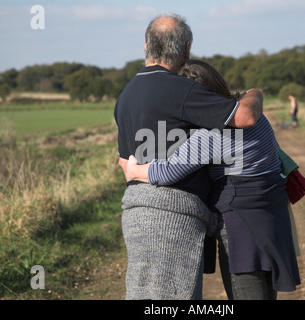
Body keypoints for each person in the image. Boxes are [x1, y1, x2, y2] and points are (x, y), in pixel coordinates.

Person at [114, 13, 263, 300]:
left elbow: (126, 164)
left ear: (145, 46)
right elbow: (245, 117)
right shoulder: (182, 90)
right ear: (186, 49)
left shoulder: (126, 95)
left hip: (135, 213)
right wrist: (255, 93)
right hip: (174, 217)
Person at [126, 59, 301, 300]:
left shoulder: (211, 136)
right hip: (273, 214)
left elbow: (166, 172)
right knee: (267, 293)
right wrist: (254, 93)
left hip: (241, 223)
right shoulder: (255, 115)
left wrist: (134, 170)